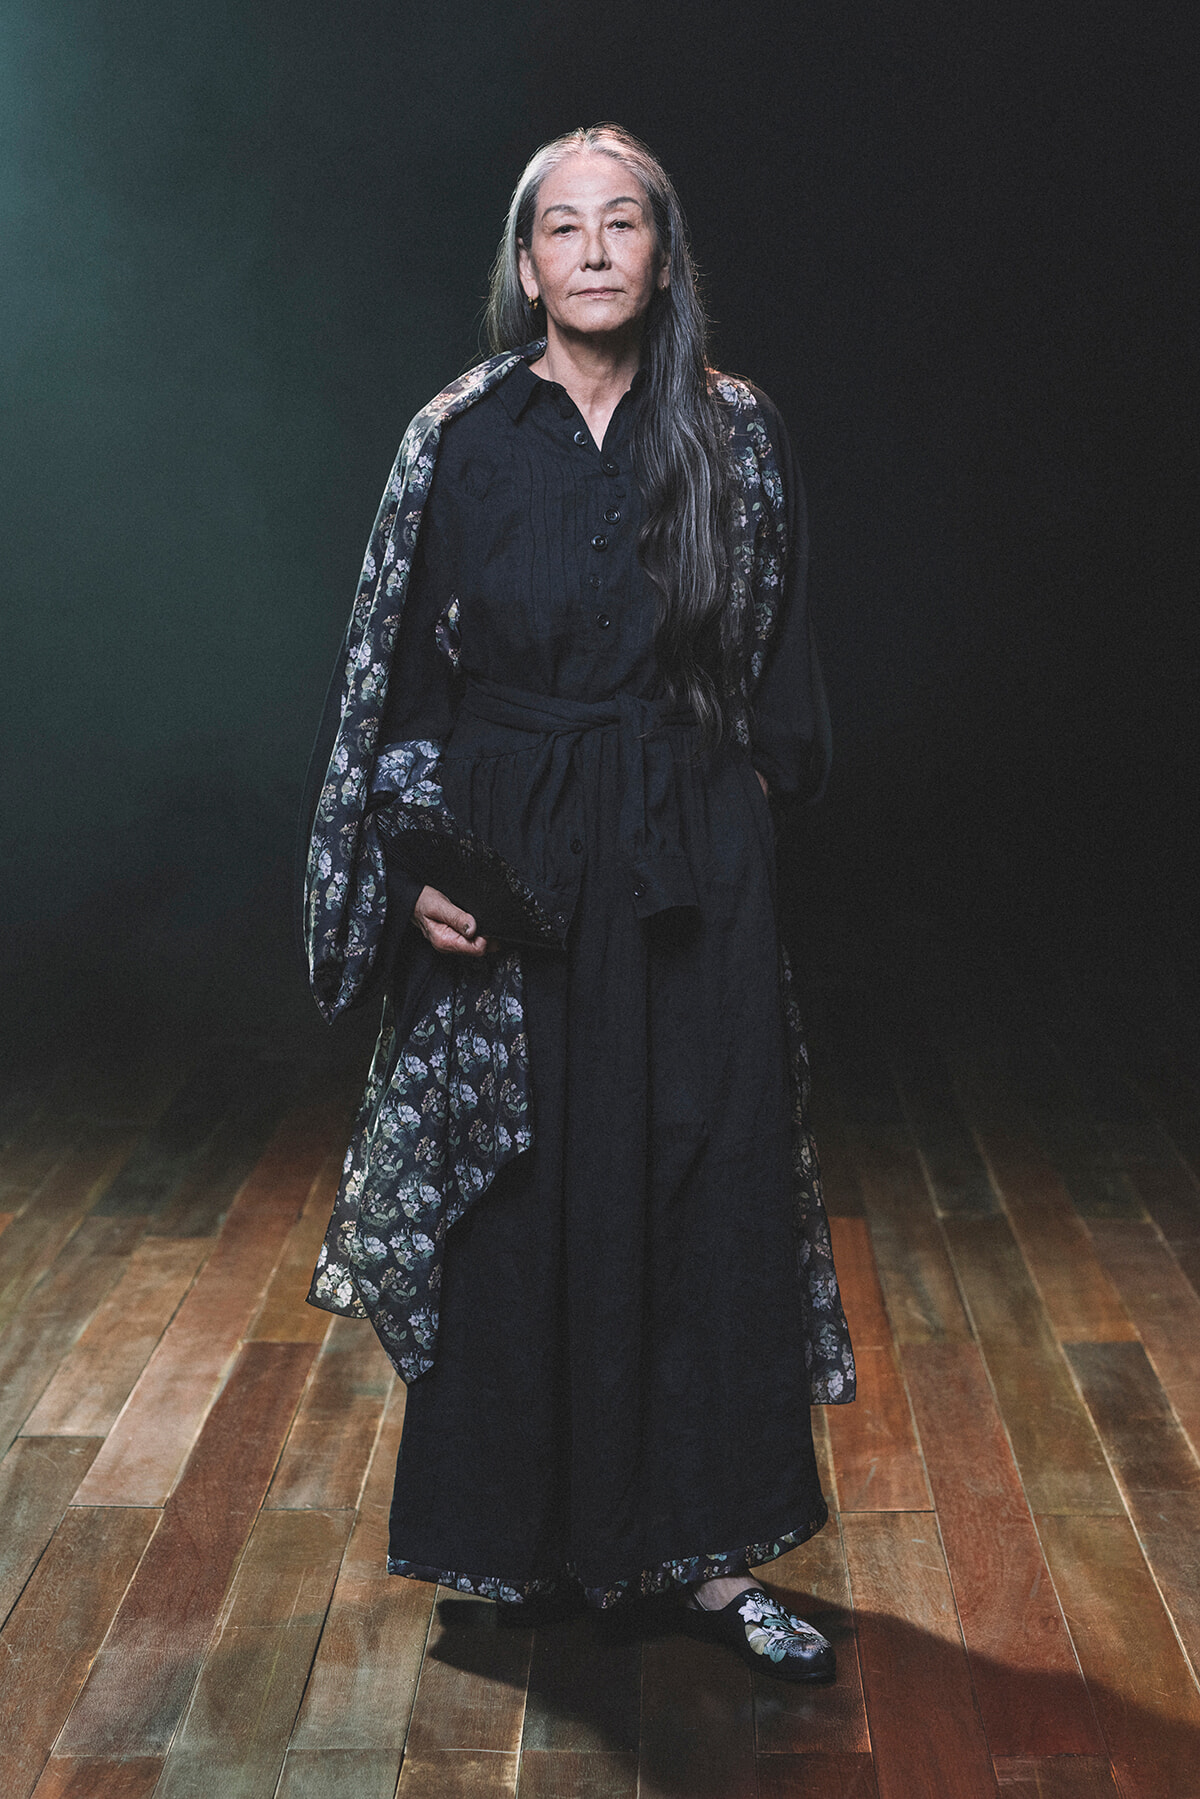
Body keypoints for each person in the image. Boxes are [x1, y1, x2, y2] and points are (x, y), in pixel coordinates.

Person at [300, 124, 855, 1684]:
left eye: (625, 223)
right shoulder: (462, 435)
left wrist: (734, 829)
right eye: (565, 225)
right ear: (526, 262)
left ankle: (705, 1561)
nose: (596, 248)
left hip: (691, 858)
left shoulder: (735, 433)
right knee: (519, 1192)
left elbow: (781, 671)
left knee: (703, 1182)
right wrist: (419, 865)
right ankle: (523, 1548)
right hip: (512, 853)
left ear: (664, 256)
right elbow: (401, 673)